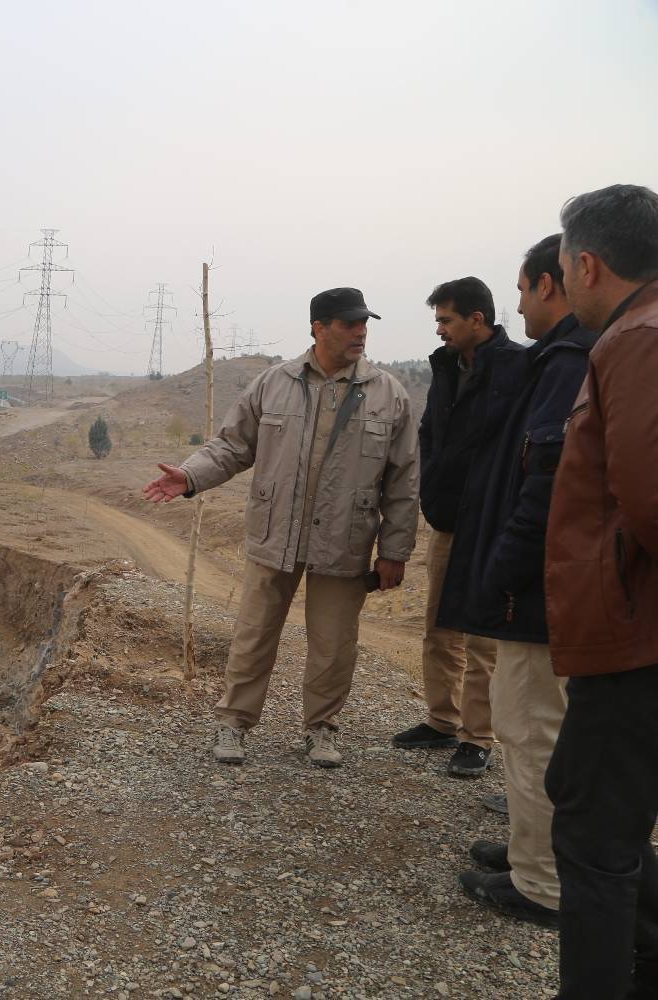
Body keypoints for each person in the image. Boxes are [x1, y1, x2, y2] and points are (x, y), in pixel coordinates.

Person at [143, 288, 417, 768]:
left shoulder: (387, 393)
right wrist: (189, 477)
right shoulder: (275, 383)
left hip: (345, 538)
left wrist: (394, 550)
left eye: (364, 323)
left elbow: (403, 478)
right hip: (276, 532)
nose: (361, 332)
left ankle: (322, 729)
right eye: (350, 323)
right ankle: (233, 723)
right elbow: (230, 447)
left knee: (334, 643)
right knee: (254, 632)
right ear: (319, 327)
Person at [434, 235, 596, 925]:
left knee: (531, 728)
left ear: (550, 284)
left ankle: (542, 884)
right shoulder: (559, 359)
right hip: (548, 584)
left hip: (537, 590)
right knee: (543, 728)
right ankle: (536, 850)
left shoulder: (568, 361)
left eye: (525, 289)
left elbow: (545, 482)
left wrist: (501, 568)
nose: (519, 304)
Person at [543, 183, 658, 998]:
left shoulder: (638, 341)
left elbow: (649, 499)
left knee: (595, 840)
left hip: (634, 640)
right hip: (637, 632)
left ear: (587, 264)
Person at [390, 277, 523, 778]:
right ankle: (442, 721)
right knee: (439, 628)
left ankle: (478, 736)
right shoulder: (447, 367)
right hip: (448, 520)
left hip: (493, 524)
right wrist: (432, 485)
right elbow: (432, 433)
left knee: (481, 637)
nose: (440, 330)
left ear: (477, 319)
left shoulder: (518, 368)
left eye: (446, 320)